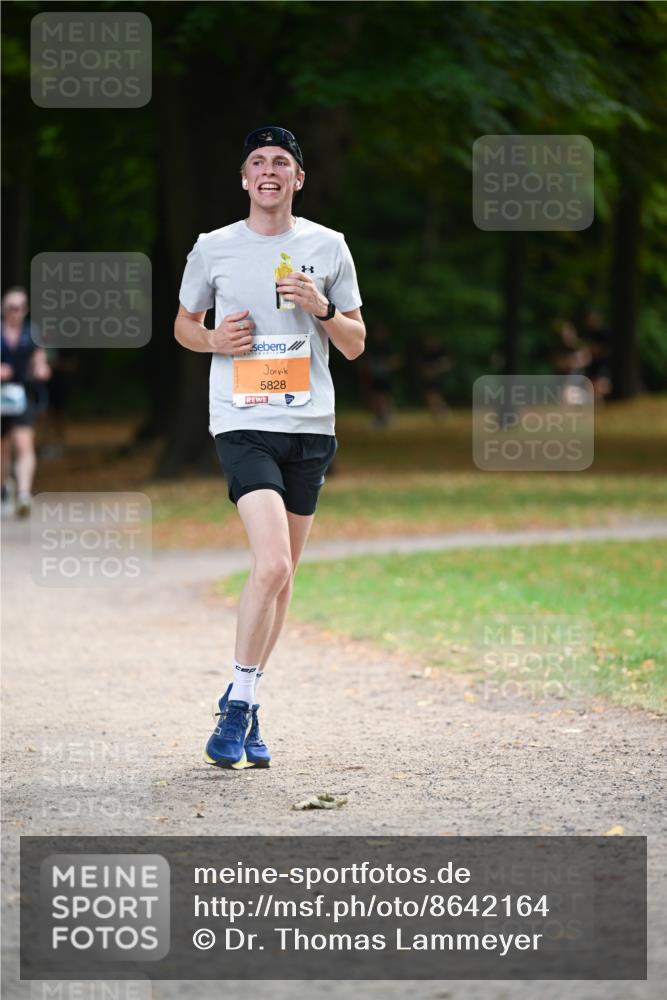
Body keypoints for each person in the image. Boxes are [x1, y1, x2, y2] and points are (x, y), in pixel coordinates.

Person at [175, 126, 365, 769]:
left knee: (282, 579)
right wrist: (213, 341)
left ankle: (246, 696)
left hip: (309, 425)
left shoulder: (328, 246)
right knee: (274, 563)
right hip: (242, 420)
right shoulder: (213, 247)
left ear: (298, 179)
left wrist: (322, 309)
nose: (269, 170)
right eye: (257, 161)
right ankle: (237, 707)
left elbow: (356, 344)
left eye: (281, 162)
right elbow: (184, 325)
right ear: (244, 178)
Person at [1, 287, 51, 517]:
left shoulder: (32, 333)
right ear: (4, 309)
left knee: (24, 444)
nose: (17, 312)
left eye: (21, 307)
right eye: (12, 307)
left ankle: (23, 494)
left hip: (22, 395)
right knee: (3, 449)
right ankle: (4, 488)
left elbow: (40, 358)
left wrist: (41, 368)